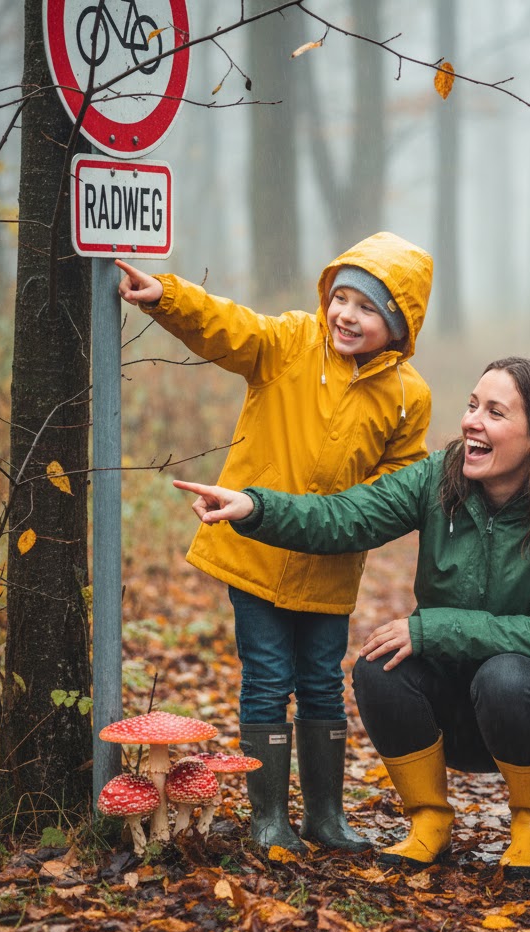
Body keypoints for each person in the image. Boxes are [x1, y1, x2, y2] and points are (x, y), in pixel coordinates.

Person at [173, 357, 530, 877]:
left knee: (505, 674)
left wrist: (431, 629)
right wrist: (255, 508)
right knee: (379, 665)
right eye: (471, 405)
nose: (472, 422)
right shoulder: (440, 478)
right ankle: (429, 822)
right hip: (457, 712)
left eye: (495, 412)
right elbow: (346, 516)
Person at [116, 232, 433, 856]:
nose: (347, 315)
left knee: (319, 682)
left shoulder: (407, 397)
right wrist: (167, 297)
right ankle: (268, 819)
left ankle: (324, 817)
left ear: (399, 324)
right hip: (254, 556)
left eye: (368, 308)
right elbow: (230, 327)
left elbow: (398, 488)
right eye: (341, 298)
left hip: (330, 569)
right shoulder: (290, 343)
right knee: (266, 679)